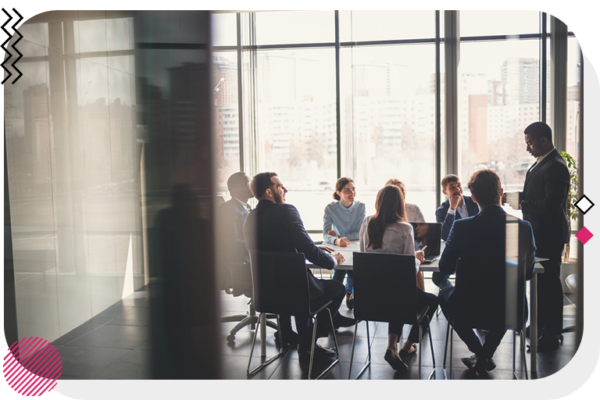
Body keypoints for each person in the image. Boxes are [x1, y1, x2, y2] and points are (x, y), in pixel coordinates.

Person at [243, 172, 355, 364]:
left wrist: (309, 247)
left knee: (301, 286)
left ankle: (290, 336)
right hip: (296, 292)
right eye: (280, 186)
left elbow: (275, 246)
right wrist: (333, 261)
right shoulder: (287, 211)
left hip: (266, 294)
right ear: (269, 192)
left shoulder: (249, 219)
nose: (284, 189)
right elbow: (307, 250)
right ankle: (307, 342)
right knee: (337, 289)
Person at [438, 169, 536, 372]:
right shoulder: (522, 227)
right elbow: (528, 274)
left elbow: (444, 269)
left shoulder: (462, 228)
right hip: (512, 309)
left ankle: (479, 351)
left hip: (469, 307)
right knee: (503, 300)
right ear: (501, 192)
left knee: (445, 295)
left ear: (473, 198)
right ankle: (486, 354)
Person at [359, 185, 438, 373]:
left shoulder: (367, 222)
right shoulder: (404, 228)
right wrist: (417, 259)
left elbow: (364, 256)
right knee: (430, 300)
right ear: (400, 204)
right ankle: (406, 345)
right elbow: (409, 270)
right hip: (399, 300)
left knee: (398, 291)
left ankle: (393, 347)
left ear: (378, 201)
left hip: (370, 300)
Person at [508, 121, 570, 351]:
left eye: (530, 142)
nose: (528, 148)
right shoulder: (540, 163)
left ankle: (552, 334)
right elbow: (538, 194)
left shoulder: (556, 166)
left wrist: (523, 203)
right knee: (541, 285)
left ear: (544, 140)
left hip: (549, 235)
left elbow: (552, 204)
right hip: (538, 234)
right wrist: (517, 198)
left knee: (550, 286)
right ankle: (542, 327)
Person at [217, 172, 297, 347]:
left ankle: (286, 331)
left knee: (284, 271)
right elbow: (231, 244)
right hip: (243, 267)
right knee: (284, 277)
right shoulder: (228, 210)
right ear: (236, 188)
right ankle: (286, 332)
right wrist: (260, 246)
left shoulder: (245, 207)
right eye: (246, 183)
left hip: (252, 261)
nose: (250, 186)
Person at [323, 177, 366, 310]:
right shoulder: (330, 208)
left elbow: (360, 232)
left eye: (353, 189)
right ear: (338, 192)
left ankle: (346, 294)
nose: (352, 193)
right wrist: (336, 241)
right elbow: (326, 234)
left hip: (355, 246)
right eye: (347, 190)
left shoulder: (360, 207)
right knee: (340, 269)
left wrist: (339, 237)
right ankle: (337, 298)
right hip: (338, 247)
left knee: (353, 267)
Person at [433, 174, 479, 289]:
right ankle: (453, 293)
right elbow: (444, 235)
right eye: (452, 187)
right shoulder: (441, 210)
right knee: (438, 276)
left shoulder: (474, 202)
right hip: (456, 251)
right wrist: (452, 209)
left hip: (476, 249)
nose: (457, 190)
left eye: (458, 186)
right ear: (445, 191)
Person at [386, 178, 426, 292]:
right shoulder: (405, 227)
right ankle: (418, 300)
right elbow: (410, 264)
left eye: (401, 189)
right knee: (413, 264)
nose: (400, 193)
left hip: (414, 245)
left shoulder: (413, 209)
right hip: (399, 255)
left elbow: (423, 230)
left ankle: (418, 296)